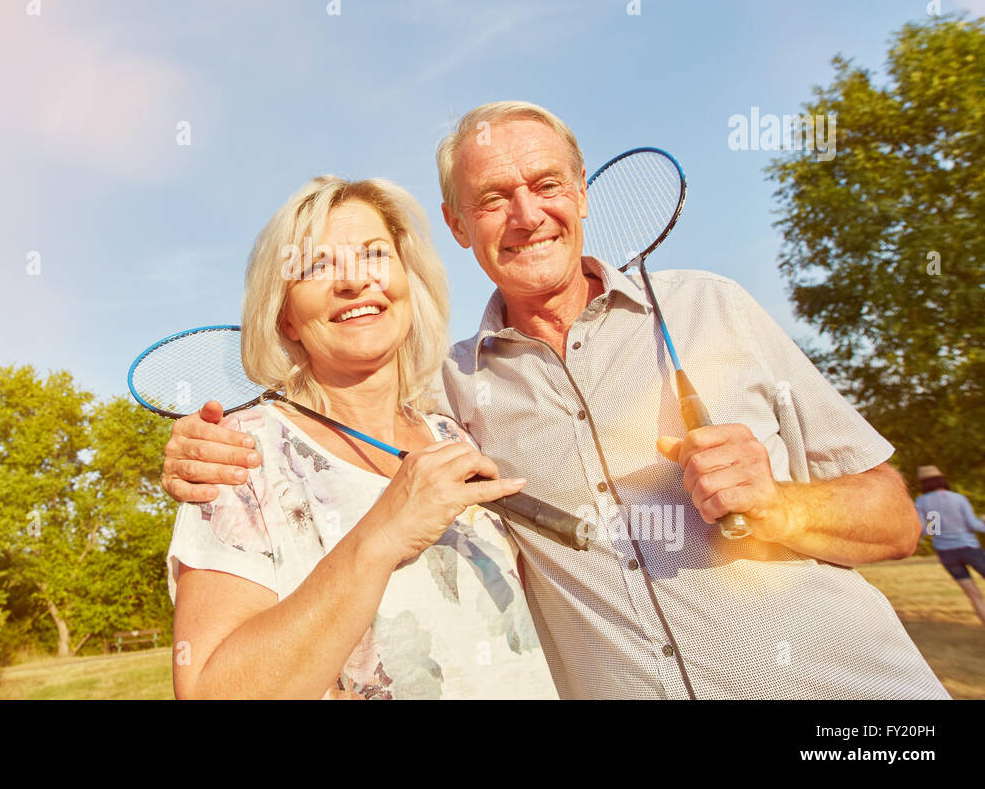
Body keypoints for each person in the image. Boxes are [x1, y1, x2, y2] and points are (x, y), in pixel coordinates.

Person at [164, 100, 950, 699]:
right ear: (458, 226)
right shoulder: (452, 396)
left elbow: (896, 519)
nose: (528, 214)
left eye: (546, 184)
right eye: (494, 197)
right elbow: (330, 420)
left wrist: (782, 504)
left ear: (580, 192)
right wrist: (201, 448)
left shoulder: (713, 307)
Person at [165, 175, 558, 699]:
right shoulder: (239, 459)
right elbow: (212, 692)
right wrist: (382, 534)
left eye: (374, 255)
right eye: (316, 266)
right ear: (285, 317)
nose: (354, 282)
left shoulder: (457, 433)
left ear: (406, 281)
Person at [914, 464, 985, 625]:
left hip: (946, 553)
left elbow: (930, 530)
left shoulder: (922, 501)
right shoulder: (957, 498)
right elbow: (974, 525)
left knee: (974, 595)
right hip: (969, 548)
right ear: (941, 479)